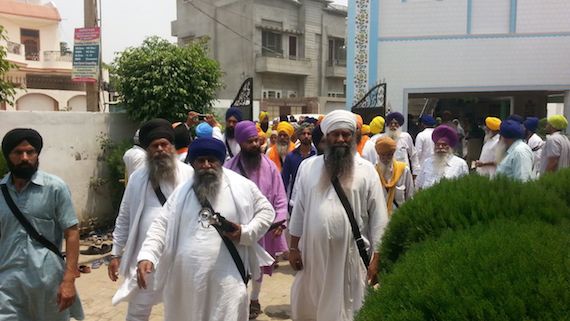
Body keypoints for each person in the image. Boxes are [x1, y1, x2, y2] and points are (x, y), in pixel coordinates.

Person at [136, 137, 275, 321]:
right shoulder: (181, 192)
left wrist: (245, 232)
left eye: (212, 160)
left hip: (228, 279)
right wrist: (147, 255)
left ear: (220, 161)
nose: (206, 165)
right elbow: (161, 224)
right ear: (193, 163)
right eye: (200, 161)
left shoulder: (241, 186)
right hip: (188, 280)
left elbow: (267, 211)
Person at [288, 110, 389, 321]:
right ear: (327, 136)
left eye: (346, 134)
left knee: (350, 308)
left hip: (350, 257)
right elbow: (299, 210)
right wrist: (293, 248)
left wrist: (377, 258)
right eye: (336, 134)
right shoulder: (307, 167)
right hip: (313, 257)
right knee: (312, 306)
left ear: (354, 136)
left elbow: (380, 217)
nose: (341, 139)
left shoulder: (367, 170)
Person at [109, 119, 194, 320]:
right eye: (155, 146)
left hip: (180, 255)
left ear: (172, 147)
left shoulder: (189, 175)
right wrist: (115, 253)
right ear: (147, 150)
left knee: (182, 309)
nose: (160, 150)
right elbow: (124, 216)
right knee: (138, 310)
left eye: (165, 145)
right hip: (146, 257)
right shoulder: (138, 178)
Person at [0, 128, 84, 320]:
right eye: (18, 152)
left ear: (37, 154)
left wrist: (69, 280)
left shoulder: (55, 188)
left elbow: (71, 233)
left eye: (30, 152)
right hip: (8, 283)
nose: (25, 157)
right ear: (8, 156)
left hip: (48, 282)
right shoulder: (1, 192)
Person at [224, 121, 289, 319]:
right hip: (238, 228)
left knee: (259, 266)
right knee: (238, 264)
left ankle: (254, 298)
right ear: (241, 143)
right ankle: (240, 299)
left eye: (256, 141)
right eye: (249, 142)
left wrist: (280, 222)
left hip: (264, 227)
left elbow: (280, 196)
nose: (254, 145)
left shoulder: (269, 166)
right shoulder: (229, 167)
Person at [416, 125, 469, 190]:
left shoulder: (460, 164)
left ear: (450, 147)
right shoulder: (427, 162)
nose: (440, 147)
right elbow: (419, 186)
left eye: (444, 145)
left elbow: (465, 187)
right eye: (437, 145)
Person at [375, 137, 414, 216]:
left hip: (399, 216)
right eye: (383, 155)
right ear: (378, 154)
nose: (386, 158)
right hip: (379, 217)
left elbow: (410, 196)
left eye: (389, 155)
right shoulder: (373, 172)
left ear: (393, 154)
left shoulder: (404, 170)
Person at [282, 122, 317, 201]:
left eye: (309, 134)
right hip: (295, 198)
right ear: (299, 136)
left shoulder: (317, 155)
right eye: (303, 133)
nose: (306, 136)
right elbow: (285, 180)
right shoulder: (291, 156)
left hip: (313, 197)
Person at [382, 112, 420, 176]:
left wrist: (415, 172)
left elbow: (413, 155)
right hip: (387, 173)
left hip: (403, 173)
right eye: (391, 124)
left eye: (396, 124)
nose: (393, 126)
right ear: (388, 125)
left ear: (399, 125)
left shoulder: (406, 137)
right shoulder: (383, 139)